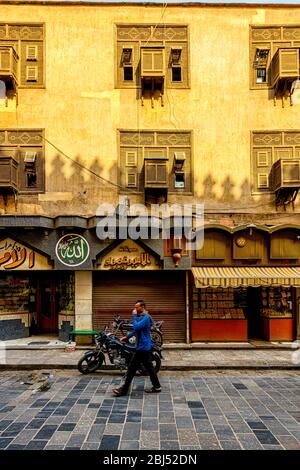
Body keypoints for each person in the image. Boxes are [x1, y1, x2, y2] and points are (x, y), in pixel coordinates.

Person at [112, 300, 161, 397]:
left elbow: (137, 327)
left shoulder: (146, 317)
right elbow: (135, 330)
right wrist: (127, 337)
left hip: (142, 347)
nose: (135, 309)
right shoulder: (142, 317)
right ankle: (157, 386)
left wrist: (133, 316)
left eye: (137, 307)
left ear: (142, 307)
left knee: (131, 368)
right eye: (135, 307)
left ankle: (124, 390)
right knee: (150, 368)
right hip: (143, 347)